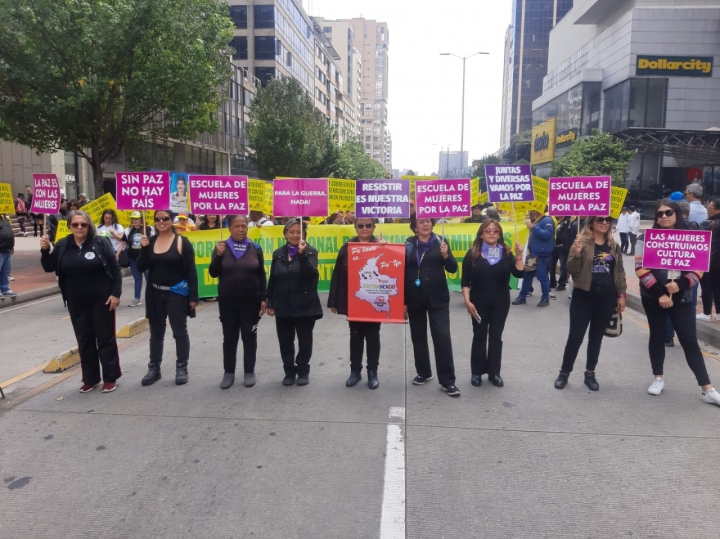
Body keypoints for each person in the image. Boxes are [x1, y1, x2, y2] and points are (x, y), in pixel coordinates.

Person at [636, 200, 720, 406]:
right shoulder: (645, 238)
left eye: (668, 212)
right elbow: (640, 267)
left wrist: (681, 283)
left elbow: (699, 267)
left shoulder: (692, 238)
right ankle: (658, 378)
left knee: (689, 340)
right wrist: (660, 293)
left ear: (677, 214)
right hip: (653, 297)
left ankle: (707, 388)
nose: (664, 216)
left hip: (682, 297)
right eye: (659, 213)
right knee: (656, 336)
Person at [39, 210, 122, 392]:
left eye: (83, 224)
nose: (79, 228)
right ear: (69, 226)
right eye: (75, 224)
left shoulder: (100, 242)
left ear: (89, 226)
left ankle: (110, 377)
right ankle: (91, 378)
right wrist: (45, 250)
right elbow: (48, 266)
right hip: (76, 301)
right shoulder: (62, 245)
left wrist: (116, 293)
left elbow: (115, 269)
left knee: (105, 339)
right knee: (84, 340)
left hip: (102, 299)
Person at [554, 216, 627, 391]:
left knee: (596, 338)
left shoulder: (613, 245)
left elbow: (619, 271)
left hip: (606, 298)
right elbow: (570, 269)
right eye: (600, 220)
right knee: (575, 338)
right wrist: (577, 253)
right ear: (592, 222)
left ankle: (590, 373)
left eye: (608, 220)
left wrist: (622, 295)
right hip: (583, 296)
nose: (604, 223)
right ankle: (564, 373)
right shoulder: (581, 242)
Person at [137, 210, 199, 386]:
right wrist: (143, 248)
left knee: (179, 331)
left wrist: (194, 296)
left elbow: (191, 270)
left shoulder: (182, 242)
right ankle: (154, 368)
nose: (161, 221)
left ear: (172, 220)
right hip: (155, 293)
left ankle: (181, 368)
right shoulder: (150, 241)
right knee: (156, 333)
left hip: (177, 294)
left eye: (165, 218)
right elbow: (142, 266)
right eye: (157, 219)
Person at [461, 219, 524, 387]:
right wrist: (467, 302)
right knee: (480, 336)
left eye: (495, 230)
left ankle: (494, 373)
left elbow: (519, 274)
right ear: (481, 234)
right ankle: (476, 372)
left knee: (496, 337)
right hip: (478, 300)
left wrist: (519, 255)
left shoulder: (506, 253)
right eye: (487, 230)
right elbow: (465, 281)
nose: (491, 233)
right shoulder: (473, 253)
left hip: (501, 301)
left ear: (499, 234)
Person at [208, 215, 266, 389]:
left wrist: (264, 297)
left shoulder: (255, 247)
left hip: (251, 300)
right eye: (237, 226)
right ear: (229, 228)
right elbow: (213, 273)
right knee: (230, 338)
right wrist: (218, 256)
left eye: (244, 226)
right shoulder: (221, 247)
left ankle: (249, 371)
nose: (241, 229)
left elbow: (261, 274)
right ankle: (229, 373)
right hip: (228, 301)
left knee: (249, 337)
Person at [405, 216, 460, 396]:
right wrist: (404, 301)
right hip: (415, 298)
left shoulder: (441, 242)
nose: (426, 224)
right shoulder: (408, 246)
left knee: (442, 336)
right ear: (414, 227)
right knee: (418, 336)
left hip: (438, 298)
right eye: (421, 222)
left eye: (428, 221)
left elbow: (453, 269)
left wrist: (446, 256)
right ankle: (423, 372)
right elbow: (401, 271)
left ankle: (448, 381)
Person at [328, 218, 384, 389]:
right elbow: (337, 273)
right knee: (356, 335)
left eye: (368, 225)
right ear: (355, 228)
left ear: (374, 227)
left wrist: (386, 250)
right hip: (354, 300)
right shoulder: (346, 248)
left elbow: (390, 269)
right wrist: (334, 300)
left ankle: (372, 372)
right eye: (361, 226)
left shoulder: (382, 246)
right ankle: (355, 372)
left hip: (374, 300)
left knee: (373, 337)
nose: (365, 228)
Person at [267, 219, 323, 386]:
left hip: (305, 305)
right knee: (285, 341)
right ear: (285, 234)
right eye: (291, 232)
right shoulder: (278, 253)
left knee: (305, 341)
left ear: (304, 234)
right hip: (283, 305)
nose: (295, 235)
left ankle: (303, 370)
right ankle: (289, 371)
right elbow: (273, 280)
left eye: (299, 232)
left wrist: (303, 254)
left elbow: (311, 276)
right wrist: (270, 302)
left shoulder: (311, 252)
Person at [512, 209, 555, 307]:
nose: (532, 213)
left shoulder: (547, 220)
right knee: (527, 274)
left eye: (533, 211)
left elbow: (547, 235)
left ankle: (545, 298)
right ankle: (522, 296)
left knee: (541, 276)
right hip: (534, 253)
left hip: (541, 253)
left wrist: (533, 227)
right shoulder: (539, 220)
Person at [121, 212, 153, 307]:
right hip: (133, 259)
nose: (135, 221)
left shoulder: (148, 229)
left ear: (141, 219)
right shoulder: (128, 231)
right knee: (137, 279)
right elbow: (124, 242)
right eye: (133, 219)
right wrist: (118, 253)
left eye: (137, 219)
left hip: (146, 258)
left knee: (150, 279)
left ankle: (152, 297)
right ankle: (137, 298)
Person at [698, 198, 720, 321]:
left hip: (707, 259)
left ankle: (706, 313)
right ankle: (718, 313)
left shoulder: (709, 223)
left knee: (707, 287)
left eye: (710, 208)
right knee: (718, 286)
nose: (708, 210)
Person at [550, 216, 571, 291]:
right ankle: (552, 282)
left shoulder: (569, 220)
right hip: (553, 246)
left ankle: (562, 284)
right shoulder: (553, 219)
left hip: (563, 247)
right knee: (551, 265)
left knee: (563, 267)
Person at [0, 214, 16, 300]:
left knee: (5, 271)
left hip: (7, 249)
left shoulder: (5, 218)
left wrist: (11, 246)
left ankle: (5, 288)